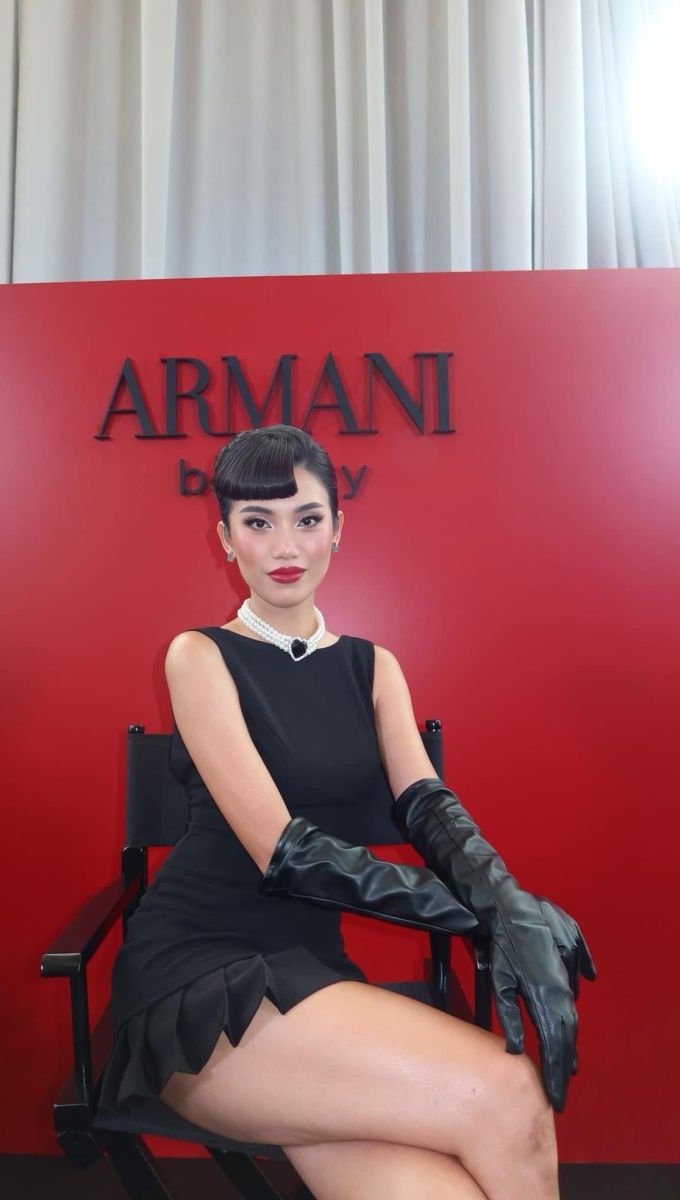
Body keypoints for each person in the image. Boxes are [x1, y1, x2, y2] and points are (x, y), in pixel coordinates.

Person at [98, 424, 596, 1200]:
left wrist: (506, 898)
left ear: (338, 526)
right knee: (512, 1099)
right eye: (257, 522)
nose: (285, 546)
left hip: (319, 980)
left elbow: (427, 805)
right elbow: (283, 851)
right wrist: (483, 918)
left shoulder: (373, 666)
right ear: (225, 538)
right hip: (202, 982)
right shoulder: (198, 656)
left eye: (307, 518)